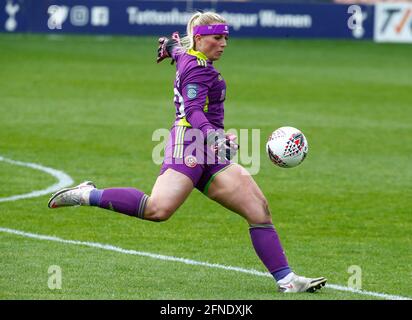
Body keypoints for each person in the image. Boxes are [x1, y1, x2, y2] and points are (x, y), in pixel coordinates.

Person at [48, 11, 327, 294]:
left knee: (259, 210)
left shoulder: (191, 57)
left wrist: (172, 48)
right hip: (190, 142)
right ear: (199, 38)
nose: (224, 44)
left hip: (208, 146)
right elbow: (193, 111)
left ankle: (286, 280)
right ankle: (87, 194)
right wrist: (215, 135)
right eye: (218, 37)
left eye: (226, 38)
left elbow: (181, 54)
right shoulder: (197, 68)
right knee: (157, 209)